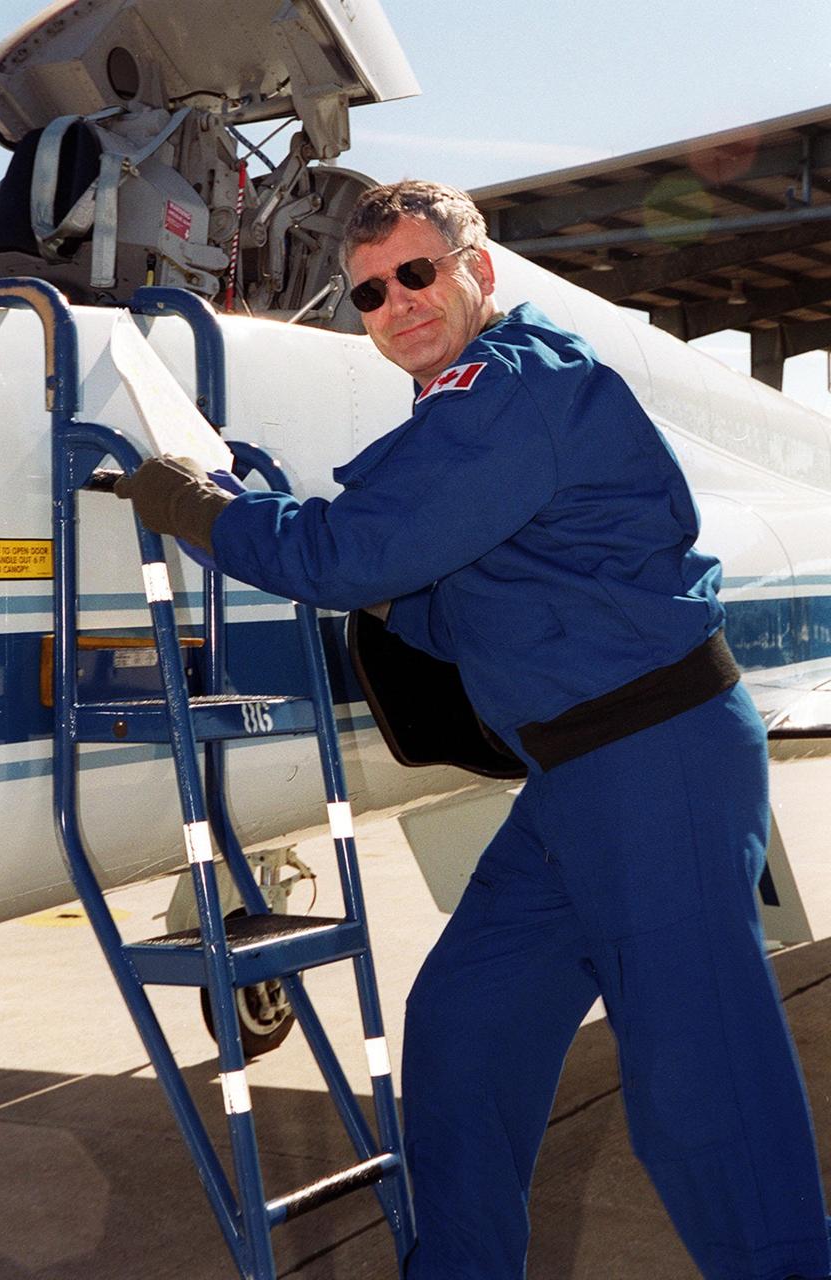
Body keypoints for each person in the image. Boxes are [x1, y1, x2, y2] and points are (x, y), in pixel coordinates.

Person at [115, 181, 830, 1280]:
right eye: (367, 291)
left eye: (415, 272)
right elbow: (460, 601)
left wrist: (197, 507)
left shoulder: (509, 388)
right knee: (460, 1031)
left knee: (702, 1094)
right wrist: (391, 585)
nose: (394, 303)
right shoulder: (466, 406)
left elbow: (342, 556)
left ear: (474, 270)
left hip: (656, 766)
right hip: (574, 783)